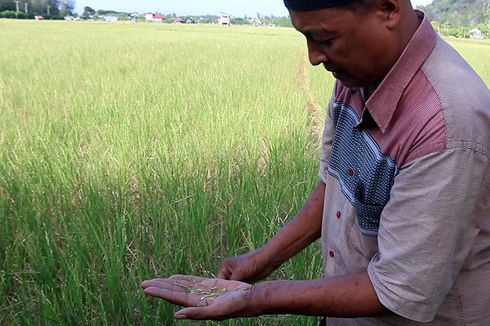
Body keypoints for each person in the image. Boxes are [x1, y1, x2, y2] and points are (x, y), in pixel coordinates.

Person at [141, 0, 490, 324]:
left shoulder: (447, 124)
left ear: (386, 9)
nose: (312, 57)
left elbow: (398, 288)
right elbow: (334, 183)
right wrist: (261, 260)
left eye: (323, 38)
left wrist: (258, 298)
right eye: (306, 37)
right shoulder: (359, 74)